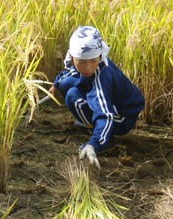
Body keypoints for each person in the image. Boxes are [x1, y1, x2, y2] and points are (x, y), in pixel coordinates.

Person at [49, 26, 145, 169]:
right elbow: (73, 72)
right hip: (112, 107)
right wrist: (56, 84)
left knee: (72, 96)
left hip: (121, 117)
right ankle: (91, 123)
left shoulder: (101, 77)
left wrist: (94, 143)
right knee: (66, 83)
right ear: (71, 56)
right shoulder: (90, 62)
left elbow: (105, 114)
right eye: (82, 62)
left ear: (100, 55)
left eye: (93, 61)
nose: (88, 68)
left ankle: (106, 140)